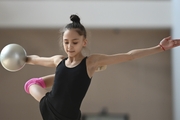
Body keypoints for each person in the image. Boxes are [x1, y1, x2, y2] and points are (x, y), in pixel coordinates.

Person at [24, 14, 180, 120]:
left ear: (84, 42)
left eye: (75, 42)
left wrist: (160, 48)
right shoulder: (58, 60)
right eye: (66, 42)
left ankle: (67, 77)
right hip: (48, 106)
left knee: (59, 79)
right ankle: (58, 78)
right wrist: (21, 58)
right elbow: (35, 59)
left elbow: (129, 55)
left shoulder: (91, 61)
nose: (69, 46)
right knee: (30, 84)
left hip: (68, 116)